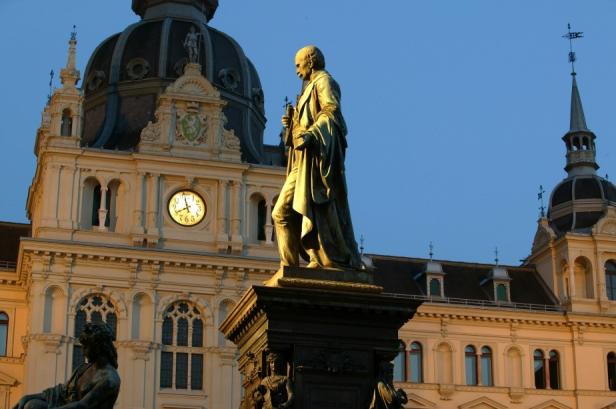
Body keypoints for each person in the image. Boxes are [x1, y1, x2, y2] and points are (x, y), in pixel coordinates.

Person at [273, 45, 361, 270]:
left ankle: (308, 261)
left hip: (314, 161)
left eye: (298, 64)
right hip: (302, 162)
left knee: (288, 211)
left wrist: (311, 134)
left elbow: (332, 113)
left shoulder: (324, 82)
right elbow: (302, 128)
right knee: (283, 212)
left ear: (310, 61)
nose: (296, 70)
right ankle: (290, 267)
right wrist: (291, 125)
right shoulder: (307, 89)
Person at [13, 322, 121, 409]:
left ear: (99, 347)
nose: (83, 352)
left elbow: (83, 406)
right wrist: (28, 397)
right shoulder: (83, 368)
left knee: (32, 407)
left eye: (86, 347)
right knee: (32, 404)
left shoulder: (109, 380)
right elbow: (60, 392)